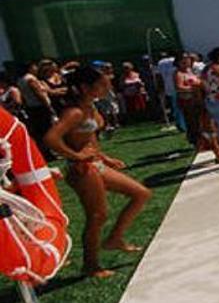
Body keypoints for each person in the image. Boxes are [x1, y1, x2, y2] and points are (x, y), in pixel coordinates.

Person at [43, 65, 152, 277]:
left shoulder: (90, 108)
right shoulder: (74, 112)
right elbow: (51, 139)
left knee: (141, 194)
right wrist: (76, 156)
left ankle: (114, 238)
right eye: (102, 85)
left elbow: (90, 136)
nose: (107, 88)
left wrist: (104, 157)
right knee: (97, 216)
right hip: (82, 169)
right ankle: (90, 265)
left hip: (95, 165)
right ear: (85, 87)